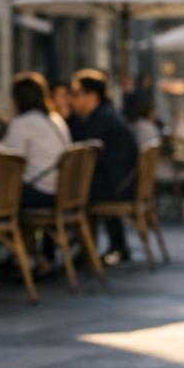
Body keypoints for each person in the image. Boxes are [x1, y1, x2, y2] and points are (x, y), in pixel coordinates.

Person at [67, 69, 139, 263]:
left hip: (117, 187)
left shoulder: (100, 119)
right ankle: (114, 245)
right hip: (124, 183)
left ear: (91, 95)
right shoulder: (105, 114)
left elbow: (85, 155)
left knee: (68, 195)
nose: (71, 100)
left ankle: (83, 251)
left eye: (76, 94)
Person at [2, 72, 71, 209]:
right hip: (65, 190)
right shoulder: (56, 118)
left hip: (43, 193)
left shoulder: (22, 122)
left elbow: (11, 162)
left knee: (2, 192)